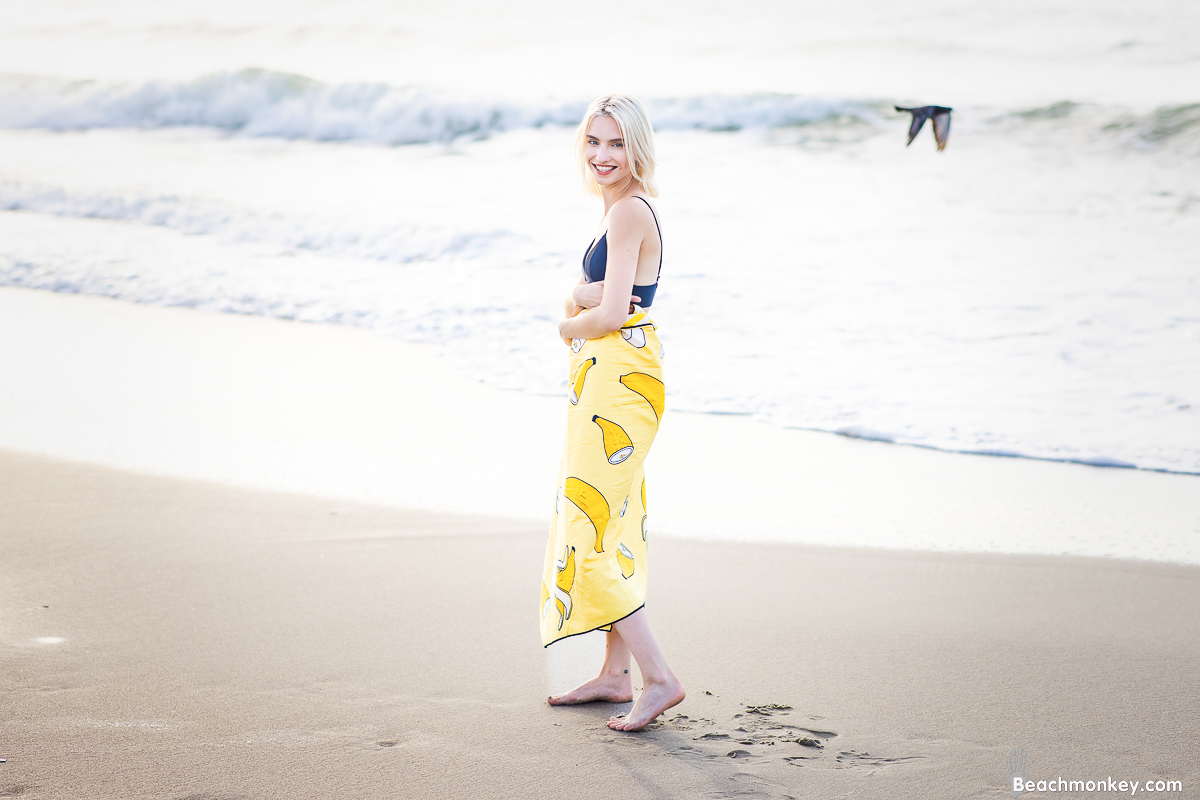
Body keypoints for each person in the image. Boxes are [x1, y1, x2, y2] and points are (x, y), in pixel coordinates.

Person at [539, 95, 684, 732]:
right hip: (623, 377)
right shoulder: (623, 210)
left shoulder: (628, 212)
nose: (603, 155)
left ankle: (659, 679)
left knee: (592, 533)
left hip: (619, 381)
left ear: (638, 149)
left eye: (617, 143)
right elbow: (621, 300)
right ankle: (614, 675)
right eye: (595, 142)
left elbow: (611, 313)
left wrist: (567, 321)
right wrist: (588, 296)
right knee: (616, 524)